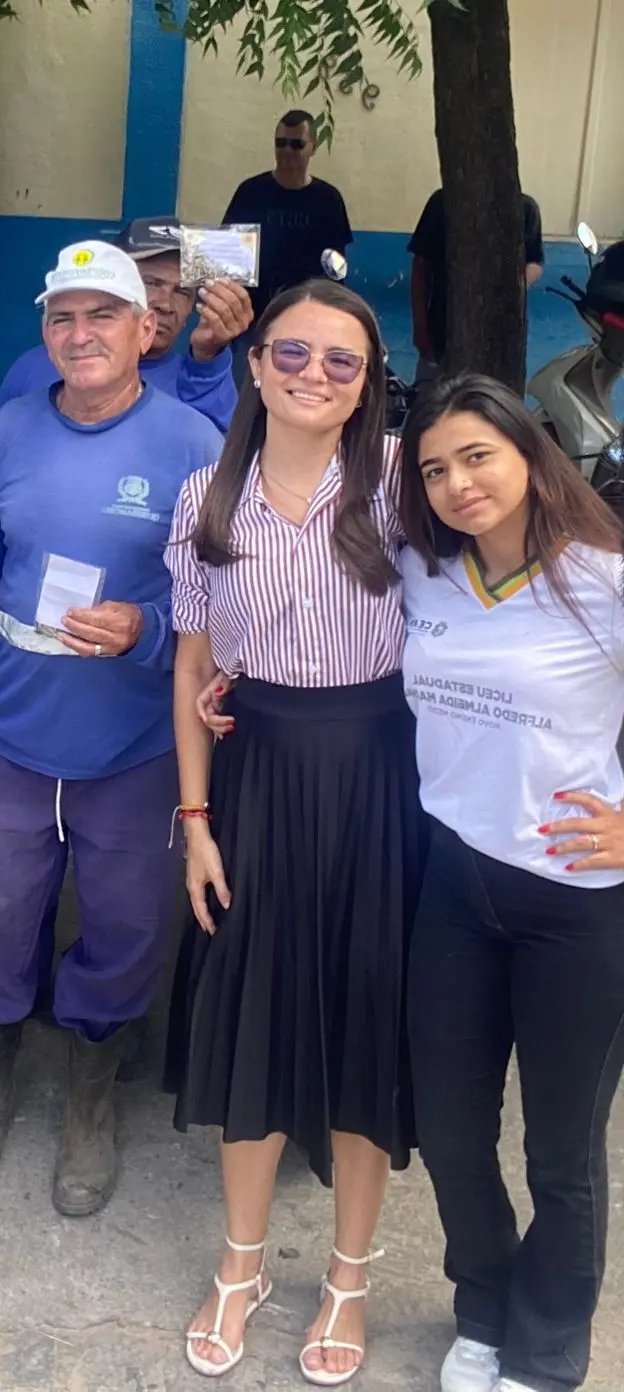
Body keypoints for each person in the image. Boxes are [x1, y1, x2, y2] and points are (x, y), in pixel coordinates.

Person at [164, 280, 423, 1384]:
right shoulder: (206, 496)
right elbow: (192, 663)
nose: (315, 374)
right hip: (256, 775)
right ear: (255, 364)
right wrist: (196, 820)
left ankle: (349, 1276)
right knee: (252, 1014)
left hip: (382, 778)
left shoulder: (407, 482)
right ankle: (242, 1265)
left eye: (342, 361)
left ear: (368, 385)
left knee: (370, 1020)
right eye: (294, 353)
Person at [0, 242, 221, 1218]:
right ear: (45, 332)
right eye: (63, 316)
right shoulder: (14, 426)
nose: (81, 333)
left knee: (125, 921)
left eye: (104, 315)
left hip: (135, 743)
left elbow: (221, 600)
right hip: (15, 731)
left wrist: (147, 631)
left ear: (146, 329)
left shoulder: (191, 442)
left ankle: (91, 1099)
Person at [396, 375, 624, 1392]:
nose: (457, 483)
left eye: (477, 456)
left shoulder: (604, 581)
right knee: (450, 1131)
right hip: (455, 887)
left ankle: (547, 1345)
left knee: (561, 1151)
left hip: (576, 906)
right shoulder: (425, 578)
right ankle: (483, 1307)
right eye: (434, 469)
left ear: (531, 455)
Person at [0, 217, 253, 433]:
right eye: (151, 283)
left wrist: (207, 361)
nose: (166, 304)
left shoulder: (199, 378)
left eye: (182, 292)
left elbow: (219, 463)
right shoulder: (32, 369)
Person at [223, 111, 353, 324]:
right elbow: (228, 255)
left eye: (297, 144)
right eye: (280, 143)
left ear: (313, 148)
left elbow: (336, 269)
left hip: (308, 316)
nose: (287, 151)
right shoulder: (250, 192)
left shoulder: (328, 199)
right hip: (252, 317)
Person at [408, 190, 544, 381]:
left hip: (500, 334)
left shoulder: (525, 208)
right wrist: (420, 327)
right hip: (443, 328)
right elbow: (421, 268)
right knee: (431, 392)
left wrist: (515, 286)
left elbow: (535, 262)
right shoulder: (442, 203)